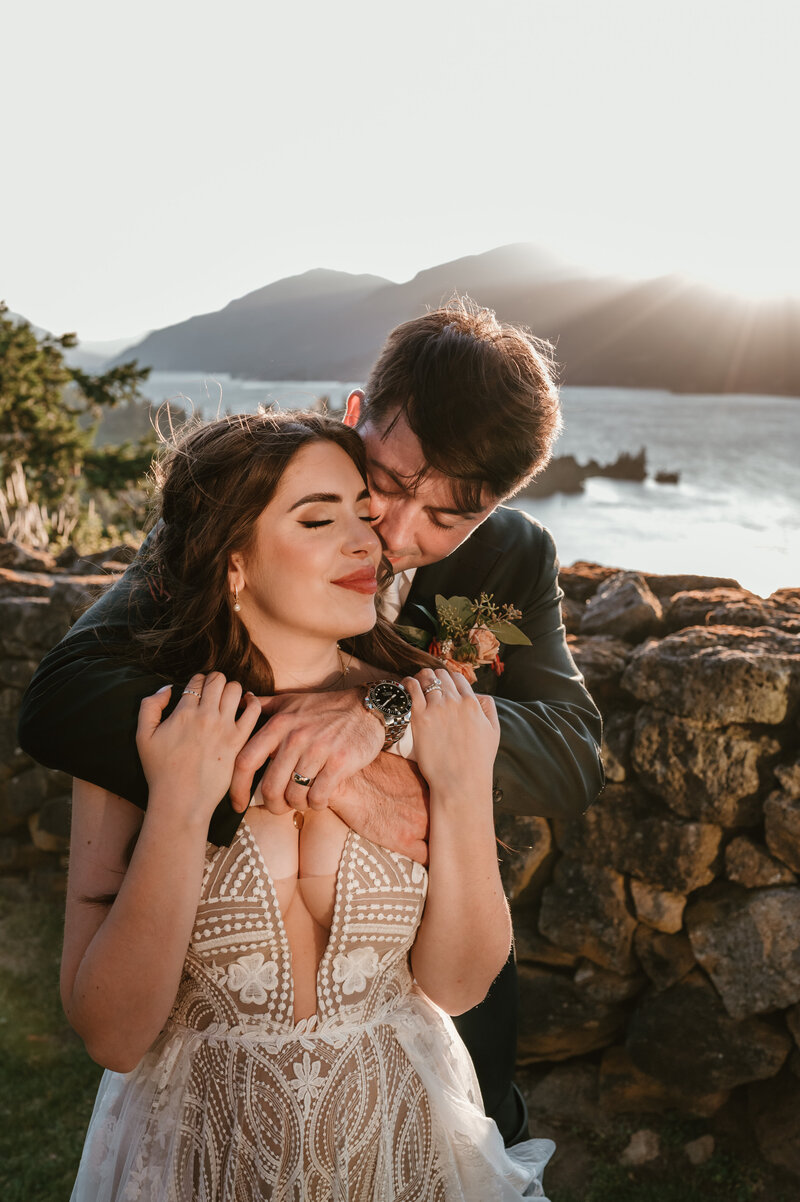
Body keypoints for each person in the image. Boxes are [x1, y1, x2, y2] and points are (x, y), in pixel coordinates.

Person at [18, 298, 604, 1146]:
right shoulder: (253, 512)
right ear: (357, 414)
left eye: (449, 517)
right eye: (393, 485)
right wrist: (327, 782)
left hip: (445, 1010)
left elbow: (572, 750)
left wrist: (387, 712)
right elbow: (65, 696)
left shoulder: (515, 555)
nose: (397, 534)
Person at [63, 411, 554, 1198]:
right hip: (202, 1156)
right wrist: (184, 807)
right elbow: (113, 1037)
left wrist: (461, 789)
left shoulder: (430, 716)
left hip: (401, 1150)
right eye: (320, 519)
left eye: (364, 514)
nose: (371, 542)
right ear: (233, 562)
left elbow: (458, 987)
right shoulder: (149, 729)